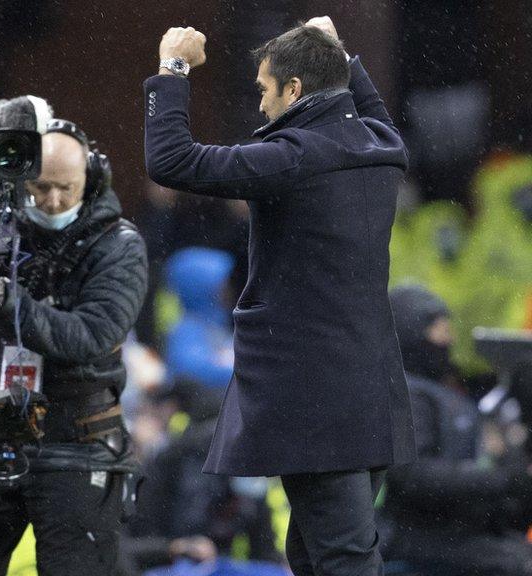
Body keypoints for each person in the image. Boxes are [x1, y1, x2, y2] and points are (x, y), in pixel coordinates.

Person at [143, 16, 415, 576]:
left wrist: (171, 68)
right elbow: (365, 107)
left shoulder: (294, 157)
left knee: (341, 558)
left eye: (266, 91)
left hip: (313, 398)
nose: (262, 106)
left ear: (293, 91)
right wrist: (337, 51)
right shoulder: (382, 146)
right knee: (315, 553)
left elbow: (170, 161)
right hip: (371, 391)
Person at [0, 97, 149, 575]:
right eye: (40, 187)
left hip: (78, 441)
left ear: (93, 178)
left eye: (66, 188)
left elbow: (90, 335)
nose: (52, 201)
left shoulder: (119, 246)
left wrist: (11, 302)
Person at [383, 284, 532, 576]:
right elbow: (413, 476)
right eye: (439, 330)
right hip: (419, 537)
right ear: (412, 331)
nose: (448, 338)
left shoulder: (448, 395)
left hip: (462, 532)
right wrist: (503, 479)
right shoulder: (409, 393)